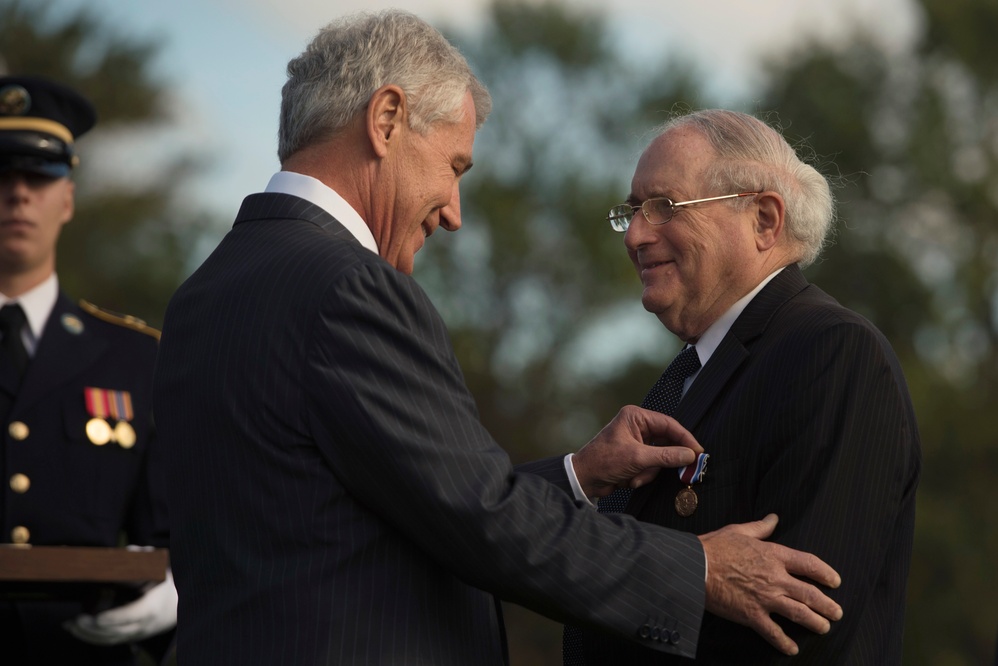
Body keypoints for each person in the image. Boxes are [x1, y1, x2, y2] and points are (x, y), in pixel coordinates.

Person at [152, 11, 844, 665]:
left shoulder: (204, 294)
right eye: (454, 167)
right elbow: (480, 520)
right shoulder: (346, 290)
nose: (453, 213)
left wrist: (576, 476)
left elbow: (373, 509)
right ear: (386, 120)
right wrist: (698, 569)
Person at [564, 109, 921, 664]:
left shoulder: (831, 353)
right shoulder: (692, 374)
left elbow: (798, 626)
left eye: (663, 207)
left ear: (763, 220)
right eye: (632, 211)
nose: (635, 234)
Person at [0, 75, 177, 665]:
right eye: (3, 174)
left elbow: (168, 532)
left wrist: (175, 591)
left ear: (68, 197)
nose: (19, 194)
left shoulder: (133, 357)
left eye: (39, 176)